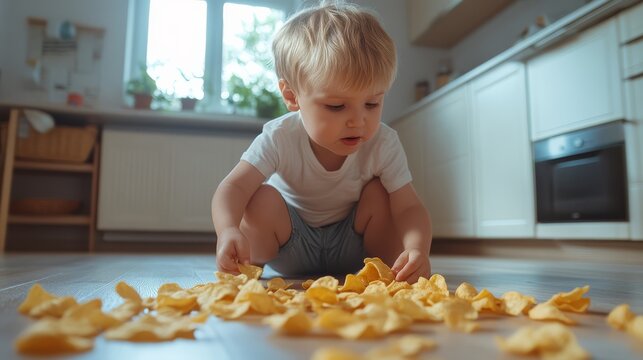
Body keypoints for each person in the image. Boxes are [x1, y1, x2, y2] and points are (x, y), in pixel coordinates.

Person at [211, 0, 432, 283]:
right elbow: (233, 186)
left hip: (355, 248)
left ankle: (392, 269)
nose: (358, 121)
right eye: (337, 107)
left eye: (372, 103)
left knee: (381, 194)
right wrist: (228, 229)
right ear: (292, 97)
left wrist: (417, 249)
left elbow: (409, 207)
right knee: (261, 197)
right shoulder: (280, 136)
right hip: (288, 245)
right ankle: (244, 261)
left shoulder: (383, 143)